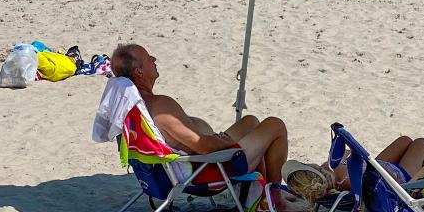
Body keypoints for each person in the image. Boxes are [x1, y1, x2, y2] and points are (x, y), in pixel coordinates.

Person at [110, 44, 290, 187]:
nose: (154, 59)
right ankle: (273, 194)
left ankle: (257, 194)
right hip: (207, 169)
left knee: (250, 122)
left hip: (187, 164)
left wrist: (215, 139)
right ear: (139, 72)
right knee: (275, 125)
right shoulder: (160, 106)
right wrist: (223, 143)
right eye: (149, 58)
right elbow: (202, 145)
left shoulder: (134, 107)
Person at [284, 135, 424, 200]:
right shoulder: (343, 179)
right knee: (423, 143)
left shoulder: (332, 180)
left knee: (404, 141)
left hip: (376, 171)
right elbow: (348, 152)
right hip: (394, 179)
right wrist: (344, 160)